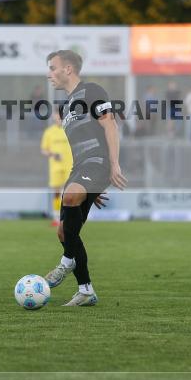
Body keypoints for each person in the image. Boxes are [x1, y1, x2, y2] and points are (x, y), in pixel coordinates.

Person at [43, 49, 126, 307]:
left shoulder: (92, 91)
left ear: (68, 69)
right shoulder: (64, 107)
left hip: (98, 163)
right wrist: (91, 187)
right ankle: (86, 291)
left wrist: (113, 165)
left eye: (53, 68)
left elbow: (109, 124)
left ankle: (65, 263)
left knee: (68, 197)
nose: (50, 74)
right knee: (63, 234)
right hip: (80, 170)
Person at [40, 112, 74, 227]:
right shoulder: (49, 132)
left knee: (69, 194)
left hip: (70, 166)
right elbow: (43, 150)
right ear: (54, 116)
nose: (59, 118)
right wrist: (53, 154)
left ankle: (69, 217)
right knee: (56, 192)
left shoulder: (70, 130)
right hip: (55, 166)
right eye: (57, 115)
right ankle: (56, 217)